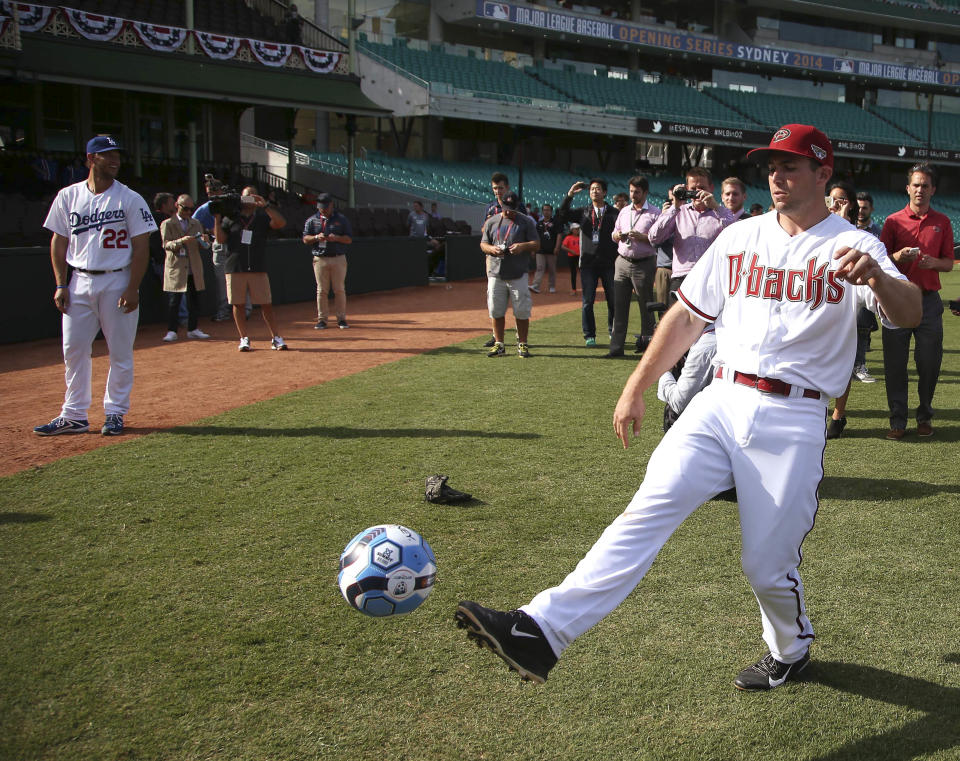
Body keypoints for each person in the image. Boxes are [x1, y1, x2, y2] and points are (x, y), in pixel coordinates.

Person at [454, 123, 920, 690]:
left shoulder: (857, 245)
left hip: (793, 415)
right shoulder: (741, 236)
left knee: (767, 567)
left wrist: (877, 277)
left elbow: (909, 312)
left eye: (791, 165)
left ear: (823, 174)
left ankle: (790, 647)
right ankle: (541, 629)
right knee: (645, 511)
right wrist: (637, 383)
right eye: (770, 165)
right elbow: (687, 315)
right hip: (720, 399)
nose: (775, 175)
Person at [34, 135, 157, 437]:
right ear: (91, 158)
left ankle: (115, 412)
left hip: (117, 278)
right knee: (73, 349)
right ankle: (74, 414)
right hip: (78, 281)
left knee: (119, 352)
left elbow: (142, 247)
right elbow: (58, 242)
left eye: (117, 154)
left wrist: (133, 287)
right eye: (107, 155)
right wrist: (61, 283)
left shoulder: (129, 198)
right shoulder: (68, 196)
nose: (115, 160)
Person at [880, 163, 955, 440]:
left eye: (925, 185)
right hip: (897, 299)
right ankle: (897, 420)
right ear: (907, 188)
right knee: (895, 364)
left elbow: (948, 263)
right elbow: (879, 261)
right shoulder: (893, 221)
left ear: (933, 189)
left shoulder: (942, 222)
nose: (920, 190)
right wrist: (898, 257)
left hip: (929, 303)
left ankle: (924, 416)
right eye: (916, 184)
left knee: (929, 362)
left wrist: (932, 262)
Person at [214, 186, 289, 351]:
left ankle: (276, 337)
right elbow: (220, 240)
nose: (249, 199)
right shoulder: (231, 218)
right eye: (246, 196)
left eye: (252, 196)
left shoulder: (262, 217)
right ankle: (244, 338)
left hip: (257, 266)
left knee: (266, 303)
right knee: (238, 304)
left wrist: (266, 205)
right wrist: (217, 218)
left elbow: (280, 223)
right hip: (235, 266)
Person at [648, 167, 735, 293]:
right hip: (682, 278)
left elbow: (734, 234)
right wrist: (675, 206)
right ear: (687, 189)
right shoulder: (678, 211)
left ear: (711, 188)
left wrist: (715, 206)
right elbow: (654, 238)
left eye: (702, 188)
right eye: (693, 189)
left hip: (710, 279)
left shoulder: (721, 212)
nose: (697, 192)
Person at [556, 178, 619, 348]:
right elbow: (562, 215)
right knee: (587, 301)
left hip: (609, 263)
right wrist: (570, 195)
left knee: (613, 300)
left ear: (604, 192)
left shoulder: (614, 213)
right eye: (592, 189)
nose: (594, 191)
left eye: (598, 189)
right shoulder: (583, 212)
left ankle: (613, 331)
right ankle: (589, 335)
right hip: (588, 264)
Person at [480, 191, 539, 358]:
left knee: (521, 310)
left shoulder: (526, 222)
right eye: (506, 208)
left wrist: (523, 246)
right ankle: (499, 343)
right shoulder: (492, 221)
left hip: (518, 273)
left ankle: (522, 343)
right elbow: (483, 243)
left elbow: (536, 244)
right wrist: (491, 249)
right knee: (495, 309)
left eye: (512, 209)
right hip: (495, 272)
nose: (508, 212)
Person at [608, 175, 660, 358]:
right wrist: (617, 236)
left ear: (645, 192)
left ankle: (647, 348)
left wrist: (643, 237)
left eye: (637, 192)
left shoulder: (655, 213)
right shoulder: (624, 211)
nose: (633, 195)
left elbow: (659, 239)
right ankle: (616, 348)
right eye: (631, 191)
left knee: (646, 307)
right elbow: (614, 232)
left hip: (643, 264)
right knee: (619, 306)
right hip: (622, 261)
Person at [160, 194, 209, 342]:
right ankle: (172, 330)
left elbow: (204, 246)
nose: (188, 212)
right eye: (185, 208)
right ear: (177, 206)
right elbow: (166, 244)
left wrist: (205, 242)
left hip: (193, 267)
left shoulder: (196, 223)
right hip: (177, 267)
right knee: (174, 301)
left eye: (190, 209)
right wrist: (181, 241)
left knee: (194, 299)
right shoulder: (167, 224)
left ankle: (193, 329)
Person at [303, 192, 353, 329]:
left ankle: (341, 319)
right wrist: (316, 238)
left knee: (339, 289)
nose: (323, 209)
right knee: (321, 290)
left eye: (325, 206)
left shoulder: (341, 219)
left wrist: (336, 238)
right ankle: (322, 320)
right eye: (320, 207)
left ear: (331, 205)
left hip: (338, 257)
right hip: (320, 258)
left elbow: (348, 239)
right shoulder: (312, 220)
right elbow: (305, 239)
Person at [192, 178, 231, 322]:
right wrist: (204, 235)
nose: (212, 195)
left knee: (241, 276)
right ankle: (224, 311)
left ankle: (245, 309)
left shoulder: (230, 203)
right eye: (209, 192)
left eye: (214, 191)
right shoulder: (206, 207)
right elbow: (193, 223)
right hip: (219, 244)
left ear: (221, 190)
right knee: (221, 280)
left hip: (235, 243)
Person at [530, 203, 560, 294]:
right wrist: (533, 249)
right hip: (540, 249)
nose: (546, 212)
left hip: (551, 250)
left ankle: (552, 286)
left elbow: (559, 235)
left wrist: (557, 247)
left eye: (548, 210)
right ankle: (536, 286)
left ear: (551, 211)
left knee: (552, 269)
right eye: (544, 210)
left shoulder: (556, 222)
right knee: (539, 268)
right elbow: (535, 237)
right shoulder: (539, 223)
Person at [560, 222, 581, 295]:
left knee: (583, 273)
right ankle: (574, 289)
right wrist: (571, 251)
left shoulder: (581, 237)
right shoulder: (568, 238)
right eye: (576, 229)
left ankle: (586, 289)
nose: (577, 230)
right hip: (571, 257)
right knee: (573, 273)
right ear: (572, 230)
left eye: (578, 229)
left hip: (580, 257)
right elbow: (563, 246)